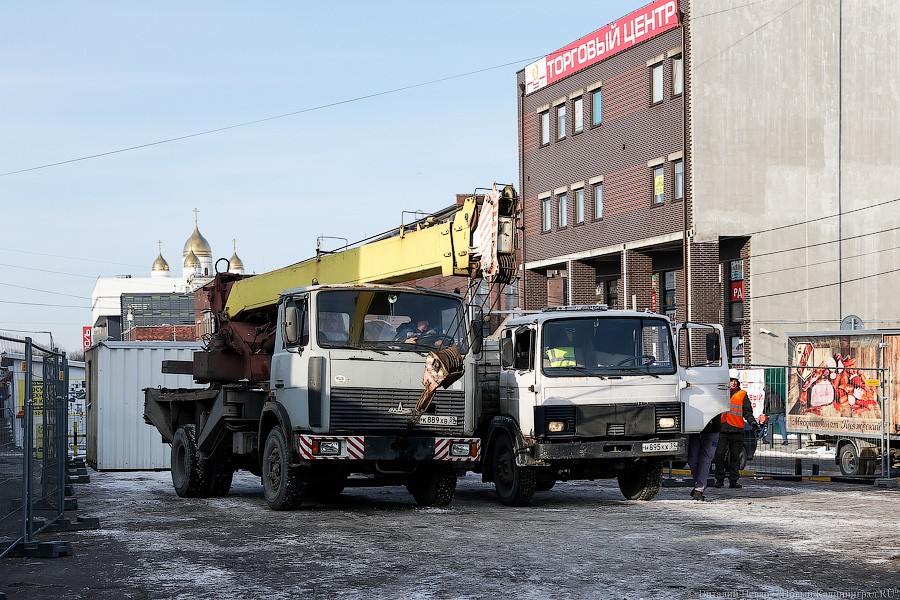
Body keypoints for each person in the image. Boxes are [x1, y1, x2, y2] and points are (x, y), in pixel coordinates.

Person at [713, 376, 759, 489]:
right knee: (719, 455)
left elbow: (747, 411)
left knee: (735, 456)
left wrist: (752, 422)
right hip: (722, 429)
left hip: (736, 430)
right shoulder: (720, 393)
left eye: (735, 381)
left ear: (738, 382)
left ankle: (733, 480)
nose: (733, 383)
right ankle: (719, 479)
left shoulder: (742, 394)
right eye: (731, 380)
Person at [686, 417, 719, 501]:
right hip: (694, 430)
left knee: (705, 460)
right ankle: (699, 484)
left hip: (712, 429)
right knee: (692, 459)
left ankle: (699, 489)